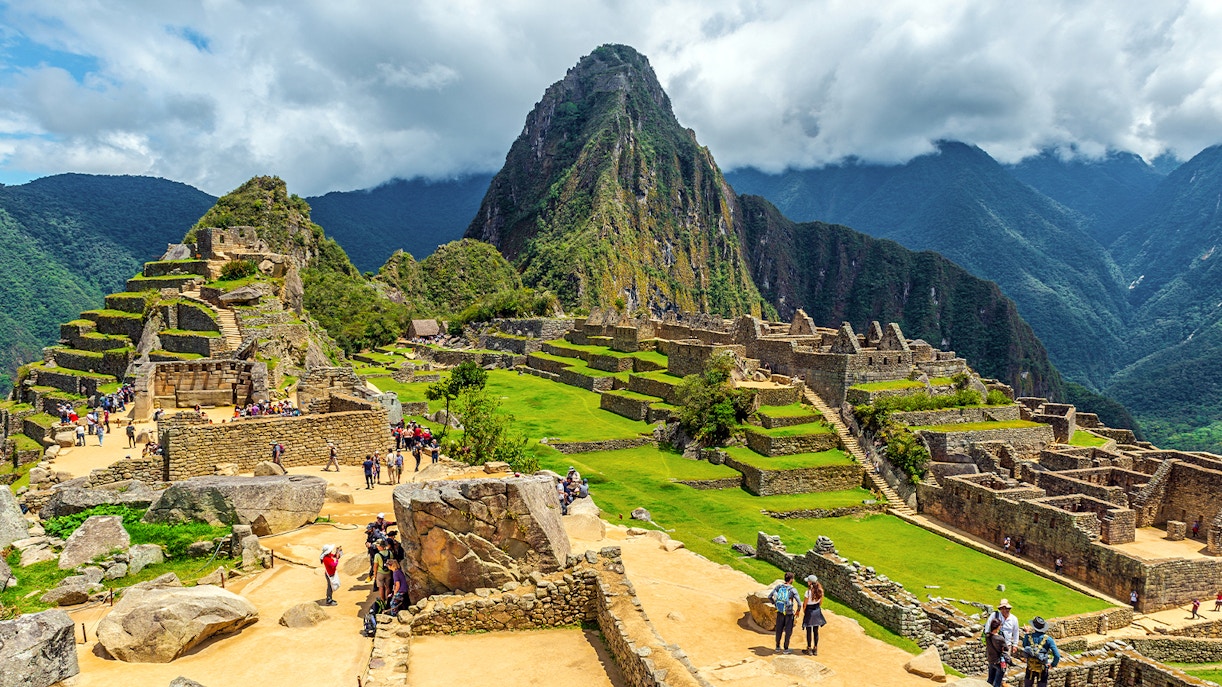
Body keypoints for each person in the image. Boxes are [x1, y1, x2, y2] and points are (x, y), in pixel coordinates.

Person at [1020, 616, 1060, 687]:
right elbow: (1057, 655)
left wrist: (1027, 633)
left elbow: (1024, 645)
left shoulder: (1028, 636)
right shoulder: (1049, 639)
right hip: (1043, 668)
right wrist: (1053, 664)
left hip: (1030, 667)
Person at [769, 572, 799, 654]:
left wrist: (775, 604)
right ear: (791, 579)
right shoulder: (793, 590)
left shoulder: (779, 587)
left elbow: (769, 596)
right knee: (788, 631)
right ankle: (786, 648)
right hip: (789, 613)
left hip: (780, 611)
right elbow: (799, 603)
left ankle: (777, 647)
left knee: (779, 629)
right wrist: (798, 611)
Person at [799, 574, 826, 656]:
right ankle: (815, 648)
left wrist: (804, 611)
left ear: (810, 582)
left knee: (808, 630)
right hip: (817, 610)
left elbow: (805, 604)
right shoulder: (820, 590)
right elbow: (821, 602)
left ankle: (809, 649)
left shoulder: (808, 592)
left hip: (809, 611)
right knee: (815, 631)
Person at [985, 617, 1008, 687]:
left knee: (990, 680)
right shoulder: (1000, 638)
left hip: (991, 660)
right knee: (997, 683)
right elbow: (1006, 648)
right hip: (998, 661)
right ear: (998, 627)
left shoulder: (987, 636)